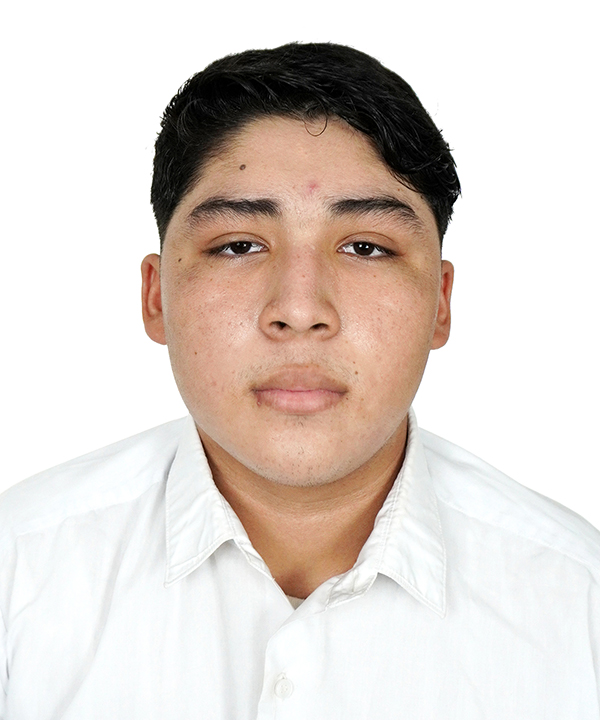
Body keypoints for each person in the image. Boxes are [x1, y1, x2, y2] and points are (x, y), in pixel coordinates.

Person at [0, 42, 598, 719]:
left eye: (365, 247)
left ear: (440, 301)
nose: (300, 308)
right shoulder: (19, 573)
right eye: (238, 245)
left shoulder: (579, 606)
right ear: (156, 296)